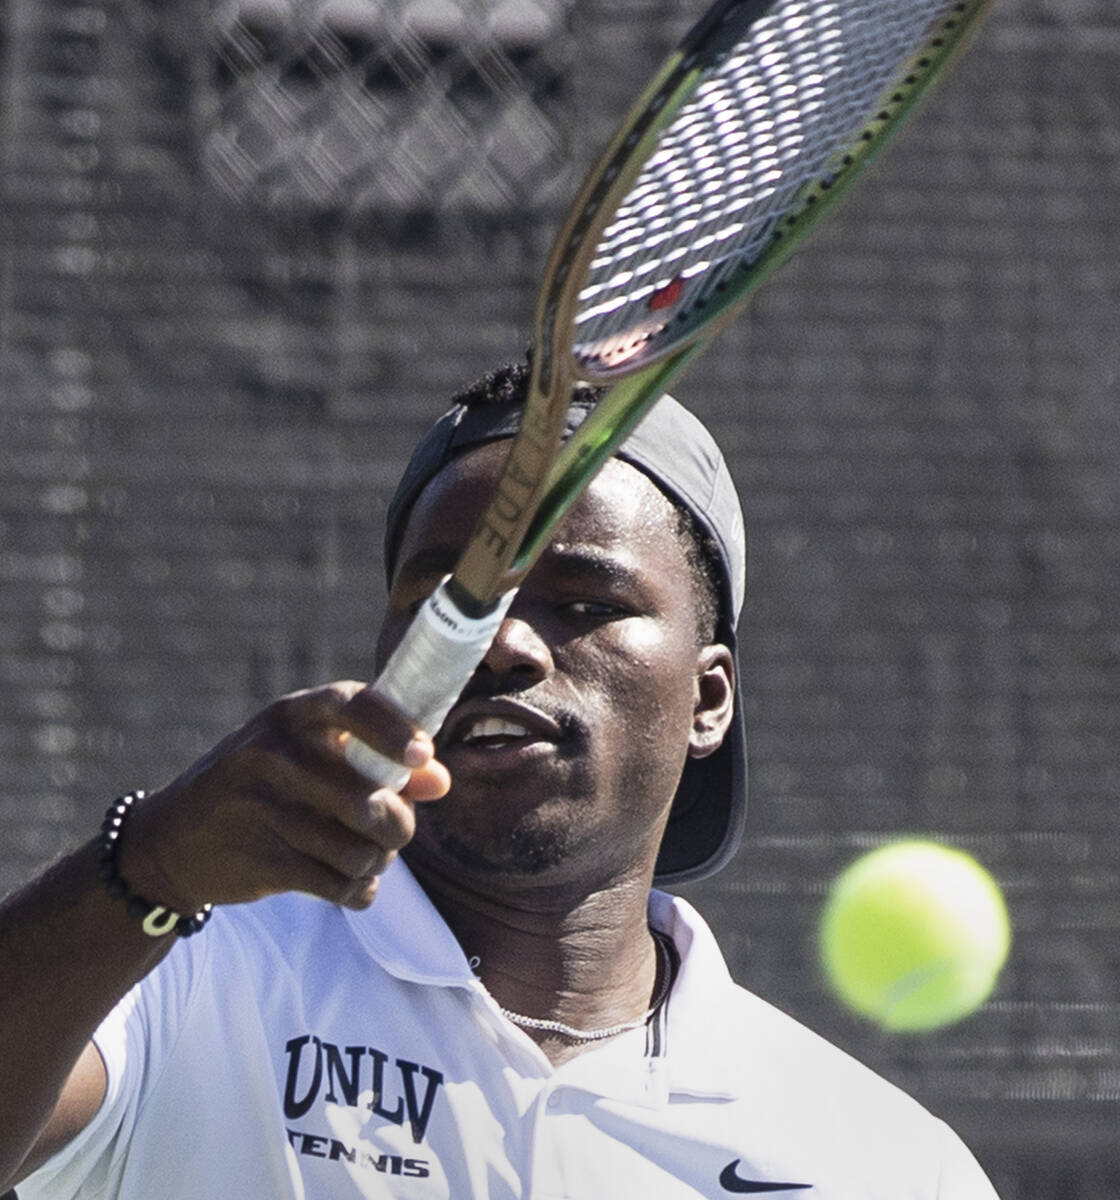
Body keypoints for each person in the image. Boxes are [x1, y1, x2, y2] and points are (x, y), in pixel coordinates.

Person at [0, 362, 999, 1198]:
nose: (503, 642)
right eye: (452, 600)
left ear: (709, 699)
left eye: (582, 600)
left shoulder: (884, 1164)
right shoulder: (182, 978)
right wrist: (148, 868)